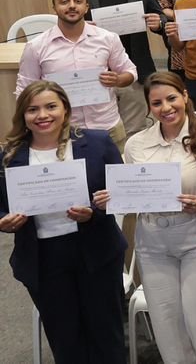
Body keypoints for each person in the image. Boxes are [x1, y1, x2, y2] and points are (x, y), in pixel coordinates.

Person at [0, 81, 126, 364]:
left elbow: (121, 193)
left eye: (50, 106)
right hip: (43, 257)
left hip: (96, 250)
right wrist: (3, 221)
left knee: (107, 335)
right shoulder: (9, 156)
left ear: (65, 109)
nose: (42, 115)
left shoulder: (96, 143)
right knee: (65, 338)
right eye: (33, 109)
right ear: (23, 115)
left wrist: (95, 210)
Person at [113, 73, 196, 362]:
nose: (165, 108)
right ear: (149, 107)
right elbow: (133, 194)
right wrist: (115, 196)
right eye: (156, 103)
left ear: (185, 96)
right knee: (167, 325)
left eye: (171, 98)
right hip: (152, 241)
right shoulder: (135, 145)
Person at [17, 0, 138, 146]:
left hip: (107, 126)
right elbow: (24, 89)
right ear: (54, 7)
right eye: (64, 1)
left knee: (113, 172)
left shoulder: (107, 38)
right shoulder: (36, 46)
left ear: (86, 7)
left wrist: (118, 80)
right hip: (60, 131)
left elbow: (130, 72)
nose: (72, 6)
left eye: (78, 1)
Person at [75, 0, 163, 133]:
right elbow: (67, 27)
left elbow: (160, 18)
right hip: (96, 73)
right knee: (98, 134)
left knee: (136, 132)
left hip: (134, 71)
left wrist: (159, 23)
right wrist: (80, 27)